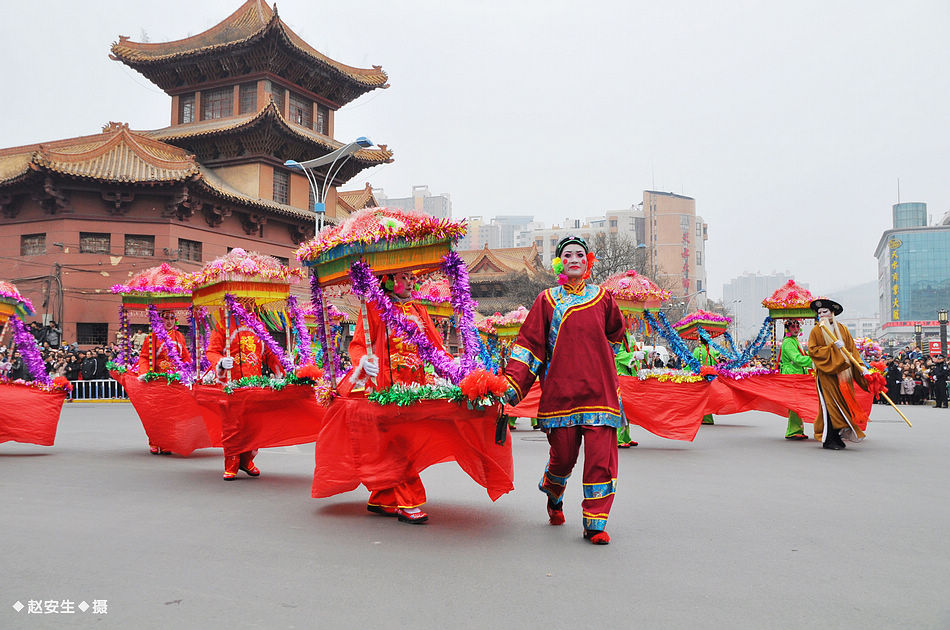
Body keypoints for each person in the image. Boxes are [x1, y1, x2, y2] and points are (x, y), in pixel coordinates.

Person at [503, 235, 625, 545]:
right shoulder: (546, 301)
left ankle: (594, 524)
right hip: (561, 397)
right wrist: (510, 386)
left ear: (588, 262)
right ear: (560, 262)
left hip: (600, 394)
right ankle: (553, 491)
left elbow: (615, 332)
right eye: (567, 255)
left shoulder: (604, 298)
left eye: (580, 255)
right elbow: (529, 346)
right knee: (563, 459)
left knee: (600, 460)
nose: (574, 259)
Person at [343, 270, 451, 524]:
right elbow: (358, 344)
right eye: (406, 277)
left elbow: (435, 347)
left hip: (415, 387)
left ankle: (384, 496)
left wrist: (457, 371)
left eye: (413, 277)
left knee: (401, 443)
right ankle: (409, 500)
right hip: (387, 386)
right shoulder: (374, 307)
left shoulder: (418, 310)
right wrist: (363, 363)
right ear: (389, 280)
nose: (413, 281)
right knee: (400, 442)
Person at [206, 298, 284, 480]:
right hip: (231, 386)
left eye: (250, 301)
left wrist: (281, 370)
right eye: (243, 301)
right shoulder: (224, 325)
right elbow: (211, 351)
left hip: (254, 385)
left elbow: (269, 353)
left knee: (253, 426)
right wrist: (220, 362)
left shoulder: (259, 326)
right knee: (233, 426)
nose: (247, 306)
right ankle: (231, 463)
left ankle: (247, 460)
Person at [807, 298, 870, 450]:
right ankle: (830, 439)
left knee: (844, 404)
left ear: (832, 313)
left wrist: (862, 367)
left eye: (825, 312)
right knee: (830, 405)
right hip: (826, 374)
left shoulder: (842, 329)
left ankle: (839, 435)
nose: (822, 314)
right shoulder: (816, 330)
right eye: (819, 312)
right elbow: (813, 351)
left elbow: (852, 351)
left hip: (843, 375)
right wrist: (833, 349)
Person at [137, 309, 192, 454]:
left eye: (172, 318)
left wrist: (188, 370)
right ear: (160, 320)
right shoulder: (152, 337)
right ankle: (154, 441)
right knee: (156, 414)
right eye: (166, 318)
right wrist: (144, 373)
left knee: (173, 414)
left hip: (175, 381)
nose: (169, 321)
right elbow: (144, 357)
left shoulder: (179, 336)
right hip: (158, 381)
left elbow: (185, 357)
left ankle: (168, 442)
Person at [778, 319, 812, 440]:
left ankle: (797, 429)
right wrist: (814, 362)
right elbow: (797, 359)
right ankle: (793, 431)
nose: (796, 329)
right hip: (792, 375)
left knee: (798, 404)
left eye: (798, 326)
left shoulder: (794, 340)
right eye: (793, 326)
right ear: (787, 328)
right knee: (794, 404)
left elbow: (803, 356)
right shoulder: (788, 342)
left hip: (798, 375)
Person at [693, 337, 719, 424]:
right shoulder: (711, 351)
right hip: (711, 377)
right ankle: (706, 418)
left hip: (701, 377)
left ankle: (705, 418)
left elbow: (693, 363)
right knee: (706, 397)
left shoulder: (698, 350)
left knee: (700, 398)